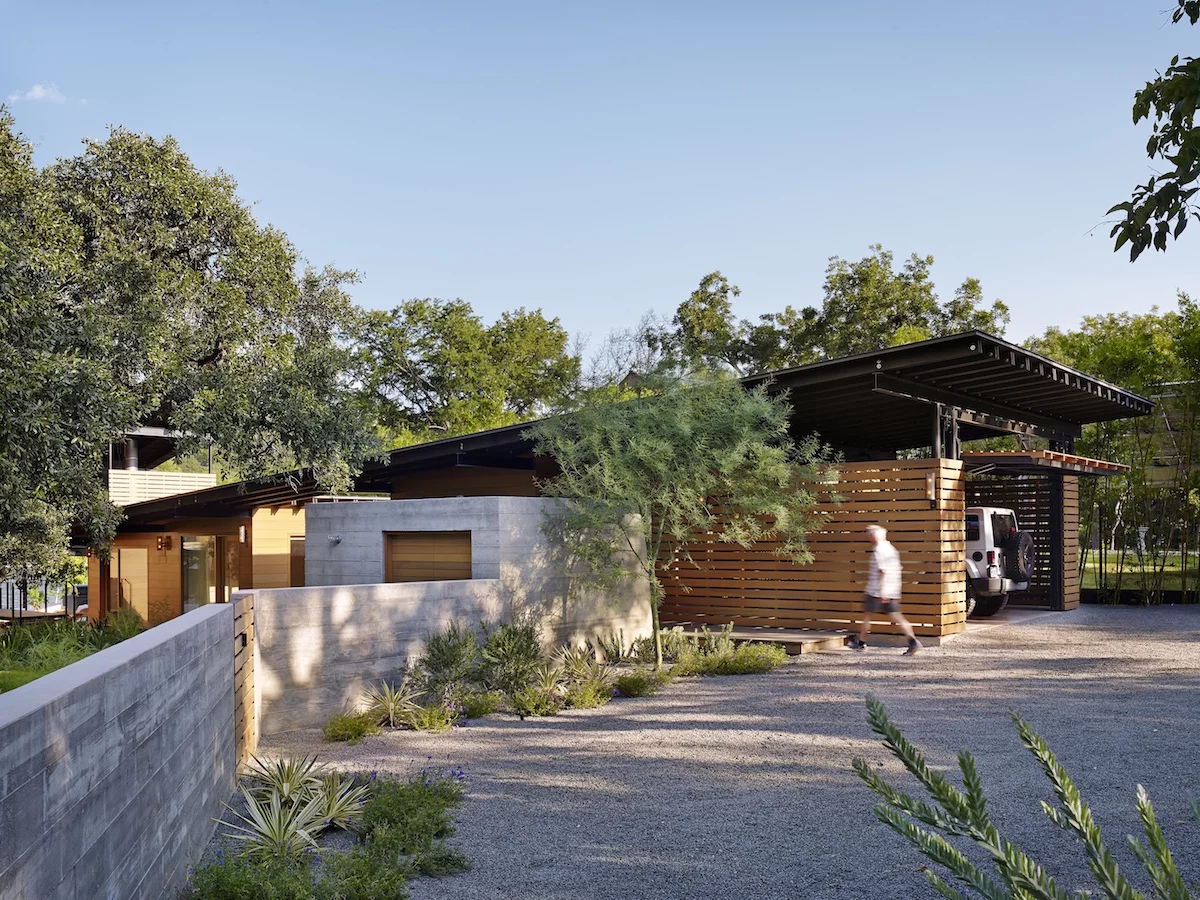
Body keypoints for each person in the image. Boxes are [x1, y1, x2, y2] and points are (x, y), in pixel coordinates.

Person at [847, 524, 922, 656]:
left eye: (869, 534)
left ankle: (861, 644)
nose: (868, 537)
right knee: (898, 617)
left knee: (867, 616)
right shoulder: (891, 549)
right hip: (892, 590)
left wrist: (882, 591)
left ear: (874, 535)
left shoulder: (879, 550)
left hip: (876, 590)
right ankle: (913, 641)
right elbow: (898, 568)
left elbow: (883, 570)